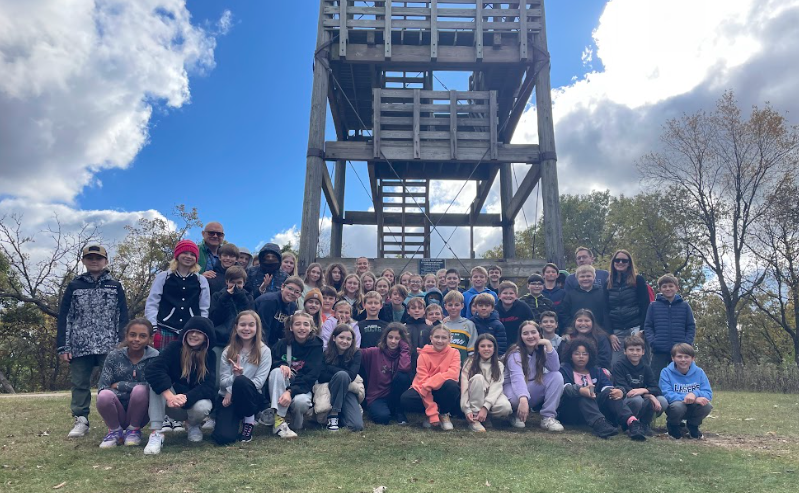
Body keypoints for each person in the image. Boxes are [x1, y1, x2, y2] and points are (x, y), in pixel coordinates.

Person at [58, 244, 129, 438]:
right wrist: (64, 346)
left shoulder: (115, 286)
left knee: (113, 384)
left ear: (106, 261)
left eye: (98, 258)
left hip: (110, 344)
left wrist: (123, 343)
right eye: (90, 258)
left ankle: (117, 420)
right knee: (80, 383)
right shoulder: (74, 285)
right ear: (83, 261)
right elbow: (65, 317)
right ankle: (81, 419)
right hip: (79, 344)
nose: (94, 261)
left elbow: (123, 317)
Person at [144, 316, 216, 454]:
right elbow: (154, 369)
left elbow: (208, 386)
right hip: (172, 403)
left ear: (206, 337)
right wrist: (170, 396)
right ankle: (156, 433)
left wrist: (187, 397)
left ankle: (193, 425)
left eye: (199, 332)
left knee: (203, 406)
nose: (194, 335)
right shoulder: (174, 348)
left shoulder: (210, 355)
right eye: (191, 331)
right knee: (156, 386)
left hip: (192, 402)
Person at [558, 337, 646, 441]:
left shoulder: (596, 370)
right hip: (572, 410)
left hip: (596, 407)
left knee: (611, 392)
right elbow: (565, 388)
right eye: (577, 354)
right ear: (570, 356)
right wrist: (581, 390)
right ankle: (599, 423)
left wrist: (619, 391)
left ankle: (632, 423)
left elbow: (607, 386)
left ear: (590, 356)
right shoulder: (564, 369)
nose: (581, 357)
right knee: (584, 395)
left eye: (585, 354)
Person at [96, 318, 158, 448]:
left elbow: (154, 387)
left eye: (142, 336)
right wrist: (129, 391)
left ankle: (133, 430)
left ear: (150, 339)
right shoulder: (114, 356)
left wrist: (120, 385)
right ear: (126, 336)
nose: (136, 339)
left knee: (140, 390)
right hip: (116, 408)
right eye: (132, 335)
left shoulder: (155, 357)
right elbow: (103, 387)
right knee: (104, 395)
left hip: (141, 410)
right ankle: (115, 431)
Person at [212, 311, 271, 445]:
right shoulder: (228, 351)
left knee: (241, 380)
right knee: (224, 438)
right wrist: (234, 376)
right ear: (236, 327)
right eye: (243, 325)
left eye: (251, 325)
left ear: (257, 327)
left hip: (250, 397)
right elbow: (222, 383)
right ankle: (230, 420)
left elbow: (259, 382)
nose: (246, 328)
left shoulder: (264, 351)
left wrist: (232, 389)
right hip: (227, 399)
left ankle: (249, 420)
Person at [266, 311, 324, 438]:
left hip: (302, 386)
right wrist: (282, 364)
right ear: (291, 327)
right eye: (297, 324)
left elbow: (311, 375)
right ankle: (279, 420)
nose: (302, 328)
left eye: (306, 324)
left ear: (311, 327)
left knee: (301, 402)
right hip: (284, 383)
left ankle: (295, 421)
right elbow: (272, 361)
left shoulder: (316, 346)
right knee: (277, 371)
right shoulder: (282, 344)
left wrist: (290, 391)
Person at [145, 239, 210, 351]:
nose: (188, 256)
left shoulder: (201, 280)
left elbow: (204, 307)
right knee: (160, 360)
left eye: (192, 254)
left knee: (186, 361)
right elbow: (152, 302)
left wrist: (201, 328)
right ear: (177, 255)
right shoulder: (163, 276)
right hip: (164, 327)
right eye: (185, 253)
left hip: (190, 331)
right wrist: (152, 326)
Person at [502, 321, 564, 431]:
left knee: (556, 376)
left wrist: (548, 344)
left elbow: (554, 368)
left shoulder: (541, 350)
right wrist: (523, 400)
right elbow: (517, 378)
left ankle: (548, 417)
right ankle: (515, 414)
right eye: (525, 333)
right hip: (511, 389)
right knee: (517, 399)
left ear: (539, 334)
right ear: (521, 337)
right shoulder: (515, 353)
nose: (530, 336)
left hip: (530, 386)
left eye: (533, 332)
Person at [401, 325, 461, 430]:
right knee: (406, 399)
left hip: (441, 388)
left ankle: (444, 413)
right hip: (425, 388)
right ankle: (431, 414)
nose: (440, 341)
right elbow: (422, 379)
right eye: (437, 337)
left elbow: (453, 374)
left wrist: (432, 382)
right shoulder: (423, 354)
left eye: (444, 338)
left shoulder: (454, 353)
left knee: (452, 386)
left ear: (449, 340)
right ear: (431, 338)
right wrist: (431, 412)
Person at [612, 335, 666, 436]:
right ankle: (627, 424)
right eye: (631, 350)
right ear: (625, 351)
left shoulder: (646, 367)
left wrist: (644, 391)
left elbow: (656, 388)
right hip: (625, 400)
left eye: (638, 350)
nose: (635, 353)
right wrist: (648, 395)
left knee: (662, 401)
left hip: (642, 397)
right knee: (637, 399)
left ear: (643, 352)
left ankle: (645, 424)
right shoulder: (618, 366)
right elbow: (624, 388)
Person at [645, 274, 697, 378]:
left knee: (681, 377)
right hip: (659, 350)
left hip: (680, 352)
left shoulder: (685, 306)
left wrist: (687, 343)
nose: (668, 289)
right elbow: (648, 326)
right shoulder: (653, 306)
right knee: (655, 377)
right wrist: (653, 342)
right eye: (664, 286)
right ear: (660, 289)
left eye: (670, 286)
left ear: (677, 288)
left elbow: (691, 326)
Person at [604, 250, 650, 365]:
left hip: (635, 327)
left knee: (640, 363)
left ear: (629, 263)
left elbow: (645, 306)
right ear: (613, 262)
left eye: (624, 260)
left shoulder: (638, 280)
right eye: (617, 260)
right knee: (616, 364)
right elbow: (605, 310)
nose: (620, 262)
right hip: (617, 330)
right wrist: (610, 334)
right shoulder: (608, 283)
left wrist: (642, 330)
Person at [361, 323, 412, 425]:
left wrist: (404, 348)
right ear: (385, 338)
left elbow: (404, 368)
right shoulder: (374, 352)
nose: (393, 341)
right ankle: (381, 409)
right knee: (383, 418)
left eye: (397, 338)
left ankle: (397, 409)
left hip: (394, 396)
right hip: (377, 396)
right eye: (390, 337)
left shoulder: (404, 354)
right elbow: (355, 353)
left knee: (402, 376)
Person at [660, 343, 713, 439]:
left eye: (686, 357)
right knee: (678, 406)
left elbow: (708, 393)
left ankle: (693, 426)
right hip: (676, 407)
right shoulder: (666, 372)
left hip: (693, 407)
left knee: (706, 405)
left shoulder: (699, 372)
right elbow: (666, 394)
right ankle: (673, 425)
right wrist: (689, 398)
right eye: (679, 356)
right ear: (673, 358)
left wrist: (694, 394)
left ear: (693, 359)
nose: (683, 360)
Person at [460, 334, 512, 432]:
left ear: (494, 348)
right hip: (474, 399)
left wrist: (485, 407)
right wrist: (466, 409)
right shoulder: (470, 362)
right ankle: (474, 419)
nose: (486, 349)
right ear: (477, 349)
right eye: (482, 346)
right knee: (478, 378)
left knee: (505, 407)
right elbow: (464, 388)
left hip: (490, 398)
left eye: (489, 346)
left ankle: (485, 417)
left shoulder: (499, 365)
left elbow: (496, 387)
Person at [318, 325, 363, 431]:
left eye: (348, 339)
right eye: (341, 337)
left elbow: (351, 375)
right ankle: (334, 414)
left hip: (348, 389)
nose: (345, 341)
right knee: (342, 375)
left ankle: (340, 415)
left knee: (356, 426)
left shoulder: (356, 353)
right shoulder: (325, 353)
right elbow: (321, 377)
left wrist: (330, 368)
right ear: (334, 338)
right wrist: (340, 375)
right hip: (330, 388)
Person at [209, 266, 254, 353]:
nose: (235, 286)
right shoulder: (217, 296)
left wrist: (242, 298)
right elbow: (214, 318)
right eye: (232, 282)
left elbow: (250, 316)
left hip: (241, 341)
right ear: (227, 282)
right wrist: (225, 297)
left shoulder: (248, 297)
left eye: (239, 283)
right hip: (220, 341)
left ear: (244, 283)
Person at [254, 276, 304, 347]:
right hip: (257, 339)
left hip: (274, 341)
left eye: (297, 292)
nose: (292, 293)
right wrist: (265, 349)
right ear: (282, 287)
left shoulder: (293, 307)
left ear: (299, 295)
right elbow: (263, 328)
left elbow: (285, 331)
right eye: (290, 288)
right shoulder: (269, 301)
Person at [560, 265, 608, 330]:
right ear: (577, 278)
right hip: (577, 331)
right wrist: (573, 327)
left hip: (599, 331)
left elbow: (606, 314)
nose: (585, 279)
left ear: (594, 277)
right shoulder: (570, 295)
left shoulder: (603, 293)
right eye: (582, 276)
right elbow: (564, 314)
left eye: (588, 276)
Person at [442, 290, 477, 365]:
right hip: (444, 366)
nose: (453, 308)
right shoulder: (442, 325)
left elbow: (472, 352)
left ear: (462, 306)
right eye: (450, 305)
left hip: (463, 366)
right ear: (445, 306)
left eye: (457, 305)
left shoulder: (469, 325)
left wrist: (468, 367)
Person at [497, 280, 535, 346]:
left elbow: (532, 324)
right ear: (499, 296)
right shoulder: (495, 310)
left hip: (520, 344)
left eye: (511, 293)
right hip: (500, 344)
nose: (508, 295)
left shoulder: (524, 308)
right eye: (505, 293)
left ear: (516, 296)